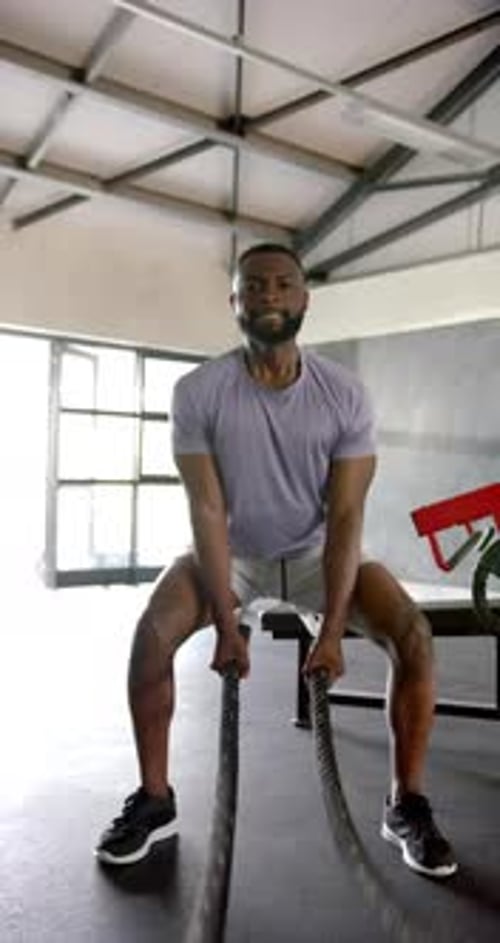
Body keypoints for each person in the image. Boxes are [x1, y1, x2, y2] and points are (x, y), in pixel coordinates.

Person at [95, 242, 457, 878]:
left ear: (304, 300)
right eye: (254, 286)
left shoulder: (344, 395)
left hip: (317, 551)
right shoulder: (198, 392)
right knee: (151, 637)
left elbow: (346, 518)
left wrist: (334, 630)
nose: (268, 295)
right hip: (233, 553)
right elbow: (206, 512)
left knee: (414, 636)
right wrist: (230, 629)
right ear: (234, 302)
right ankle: (154, 799)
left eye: (282, 285)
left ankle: (407, 804)